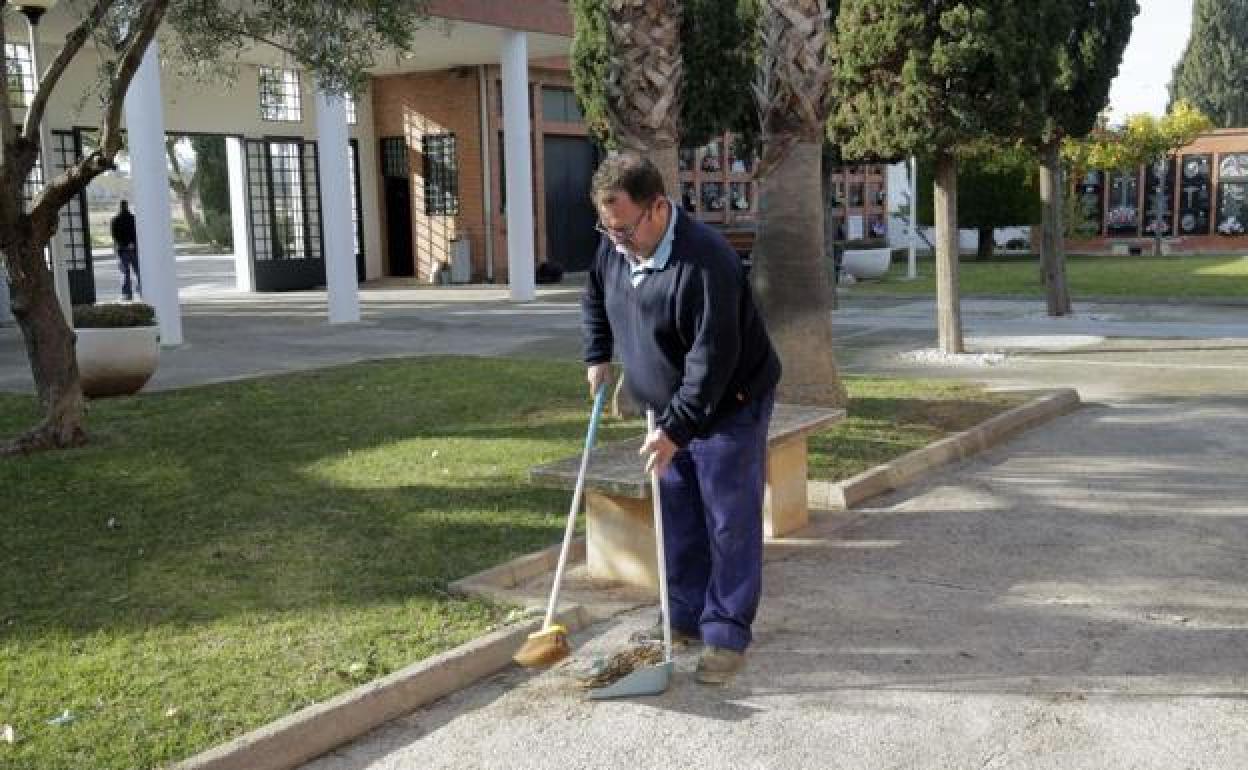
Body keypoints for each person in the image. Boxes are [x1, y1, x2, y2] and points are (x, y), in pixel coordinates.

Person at [582, 153, 781, 685]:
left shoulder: (706, 261)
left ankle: (725, 634)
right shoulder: (615, 247)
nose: (613, 238)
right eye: (605, 226)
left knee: (728, 522)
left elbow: (710, 362)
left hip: (729, 405)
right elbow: (596, 299)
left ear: (658, 208)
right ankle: (685, 618)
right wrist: (597, 353)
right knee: (678, 519)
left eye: (622, 227)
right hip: (664, 409)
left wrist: (676, 430)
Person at [110, 200, 140, 301]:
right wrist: (132, 243)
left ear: (119, 207)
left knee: (125, 272)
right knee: (138, 271)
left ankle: (127, 294)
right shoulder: (134, 219)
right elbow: (137, 234)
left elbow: (114, 236)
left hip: (122, 249)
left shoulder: (115, 220)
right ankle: (141, 289)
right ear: (128, 206)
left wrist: (121, 245)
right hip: (134, 248)